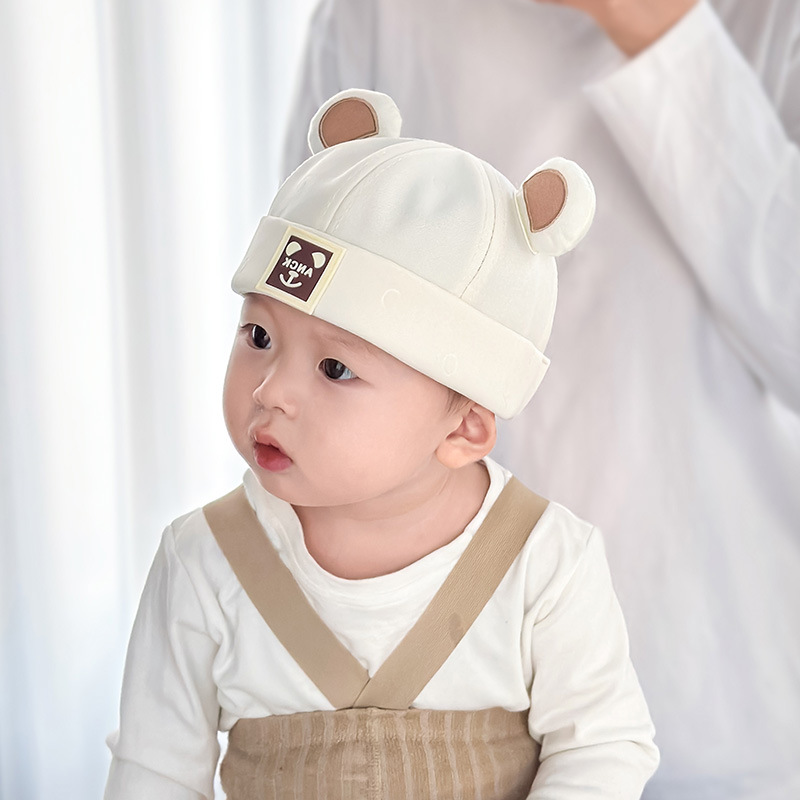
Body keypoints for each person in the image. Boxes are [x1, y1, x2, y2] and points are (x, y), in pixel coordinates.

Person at [280, 2, 800, 799]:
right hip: (444, 721)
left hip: (730, 714)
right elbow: (300, 330)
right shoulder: (373, 15)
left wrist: (664, 34)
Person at [104, 89, 659, 799]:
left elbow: (604, 746)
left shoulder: (544, 564)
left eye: (335, 368)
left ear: (463, 429)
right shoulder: (203, 563)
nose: (271, 390)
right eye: (259, 336)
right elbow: (154, 771)